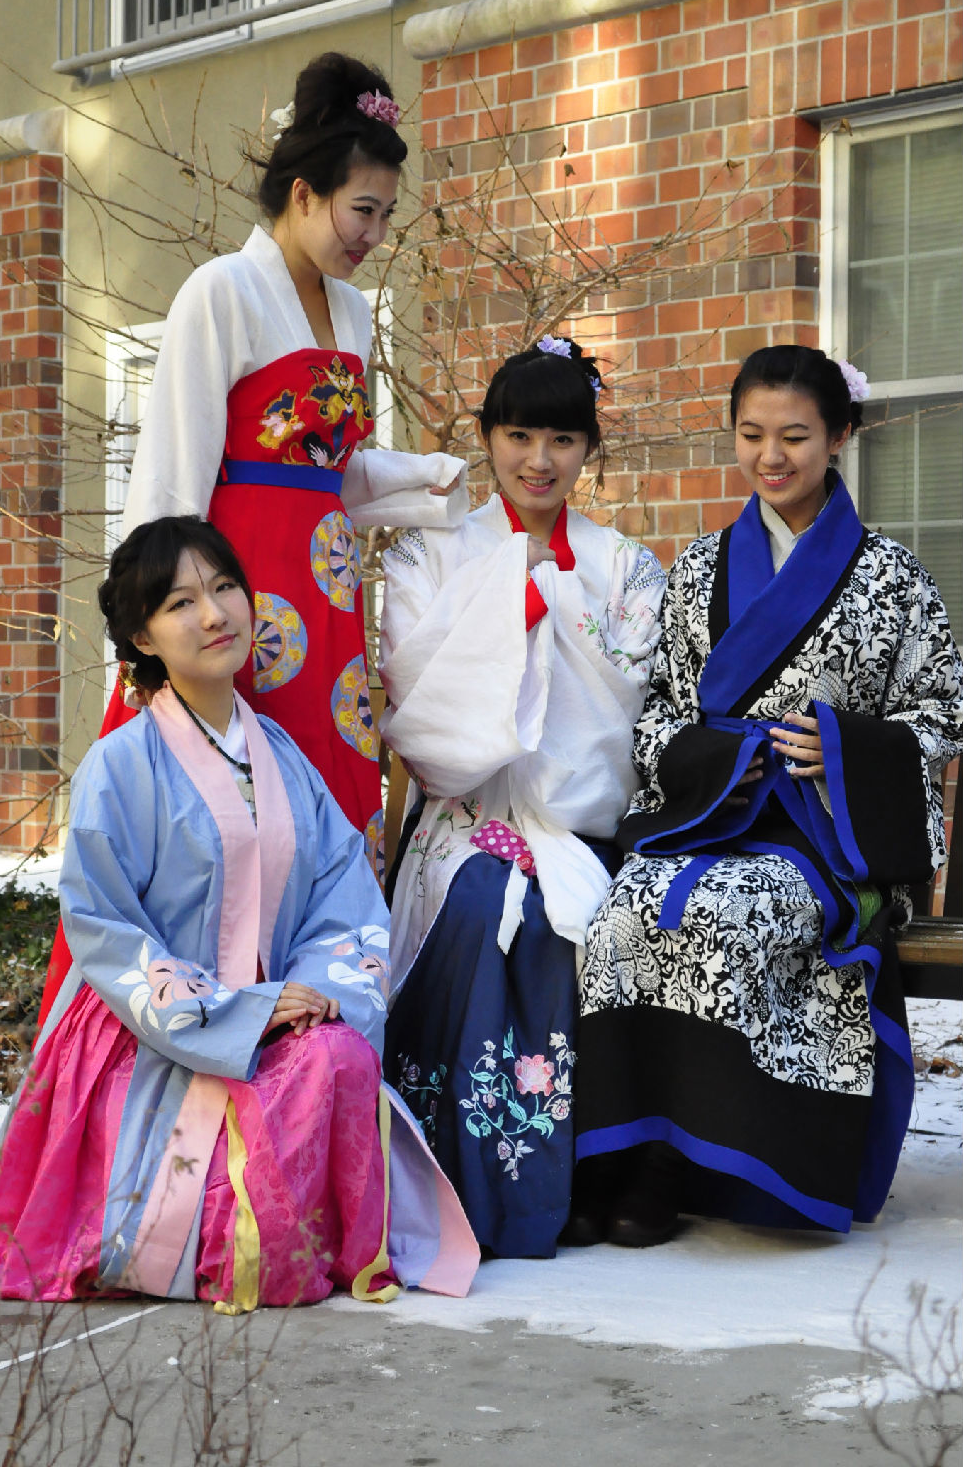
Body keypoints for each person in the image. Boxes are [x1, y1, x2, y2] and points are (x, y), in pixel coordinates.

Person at [0, 518, 478, 1307]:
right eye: (181, 602)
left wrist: (315, 995)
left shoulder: (282, 756)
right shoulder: (119, 764)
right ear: (143, 636)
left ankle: (280, 1231)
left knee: (339, 1057)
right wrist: (238, 1009)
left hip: (279, 1019)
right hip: (150, 1033)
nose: (214, 614)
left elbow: (341, 898)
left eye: (224, 588)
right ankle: (228, 1238)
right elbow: (104, 928)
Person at [37, 51, 466, 1026]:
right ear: (305, 193)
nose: (375, 235)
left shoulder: (351, 312)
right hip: (247, 602)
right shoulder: (220, 292)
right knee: (225, 825)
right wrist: (152, 632)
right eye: (363, 210)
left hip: (331, 602)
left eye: (387, 215)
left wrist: (425, 483)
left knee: (334, 817)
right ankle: (208, 1050)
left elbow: (331, 475)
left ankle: (329, 1053)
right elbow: (170, 482)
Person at [571, 345, 963, 1248]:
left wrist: (842, 747)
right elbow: (657, 713)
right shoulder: (699, 569)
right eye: (751, 435)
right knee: (625, 911)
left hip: (826, 835)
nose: (771, 456)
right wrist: (713, 757)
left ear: (841, 436)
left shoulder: (894, 579)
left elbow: (942, 714)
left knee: (727, 913)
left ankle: (689, 1165)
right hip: (712, 815)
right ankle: (617, 1151)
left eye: (795, 436)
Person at [376, 337, 665, 1257]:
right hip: (466, 815)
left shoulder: (625, 565)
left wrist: (550, 607)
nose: (540, 461)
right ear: (486, 438)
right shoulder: (429, 551)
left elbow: (628, 698)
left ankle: (583, 1176)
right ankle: (475, 1180)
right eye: (519, 436)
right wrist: (516, 608)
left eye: (563, 439)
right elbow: (413, 690)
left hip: (579, 816)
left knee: (572, 913)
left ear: (590, 449)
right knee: (484, 902)